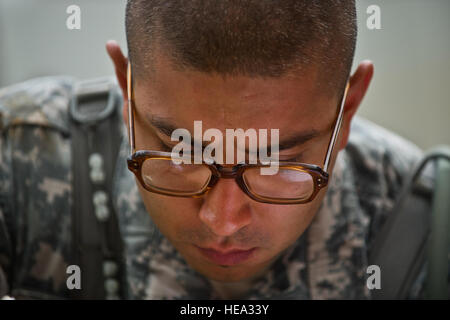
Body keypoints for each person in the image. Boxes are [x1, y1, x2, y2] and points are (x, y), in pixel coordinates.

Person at [0, 0, 427, 299]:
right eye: (180, 152)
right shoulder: (16, 160)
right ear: (125, 92)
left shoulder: (427, 228)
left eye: (277, 161)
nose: (223, 222)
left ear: (346, 110)